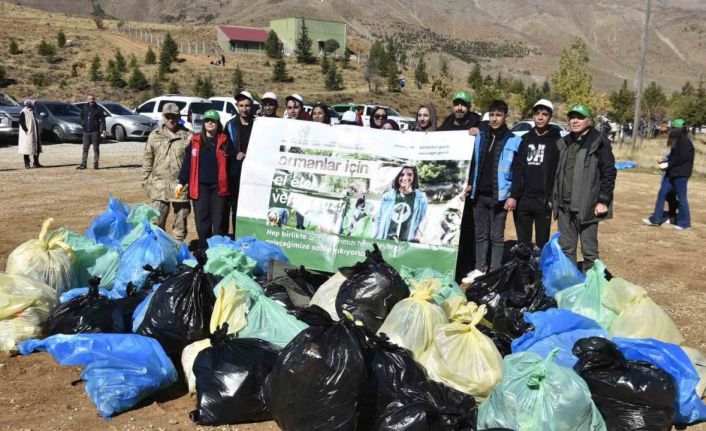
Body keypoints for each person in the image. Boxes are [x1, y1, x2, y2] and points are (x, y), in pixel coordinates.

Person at [462, 100, 521, 284]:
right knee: (480, 235)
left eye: (499, 115)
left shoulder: (513, 140)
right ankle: (480, 269)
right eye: (492, 115)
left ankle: (495, 271)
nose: (495, 119)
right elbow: (474, 164)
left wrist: (513, 195)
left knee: (497, 237)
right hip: (479, 195)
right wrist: (471, 183)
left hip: (500, 197)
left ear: (505, 117)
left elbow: (519, 172)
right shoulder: (481, 137)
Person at [552, 104, 616, 272]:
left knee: (589, 252)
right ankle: (572, 287)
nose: (575, 121)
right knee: (567, 249)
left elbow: (609, 172)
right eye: (572, 117)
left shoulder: (599, 141)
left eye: (580, 117)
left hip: (587, 205)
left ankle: (591, 288)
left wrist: (603, 200)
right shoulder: (565, 142)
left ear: (589, 120)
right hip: (565, 206)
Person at [178, 110, 237, 249]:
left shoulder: (225, 142)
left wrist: (234, 186)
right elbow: (188, 163)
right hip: (200, 187)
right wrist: (181, 181)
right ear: (203, 123)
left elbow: (233, 166)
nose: (210, 123)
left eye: (213, 121)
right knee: (202, 220)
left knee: (219, 221)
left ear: (218, 123)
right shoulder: (196, 141)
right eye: (207, 120)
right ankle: (204, 248)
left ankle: (217, 249)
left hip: (219, 188)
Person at [509, 99, 560, 249]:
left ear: (550, 117)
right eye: (537, 113)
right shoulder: (523, 140)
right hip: (523, 200)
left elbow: (559, 172)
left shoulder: (558, 141)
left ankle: (539, 272)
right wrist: (514, 195)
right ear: (533, 116)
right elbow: (517, 169)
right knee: (523, 244)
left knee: (541, 244)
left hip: (543, 201)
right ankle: (524, 272)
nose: (540, 117)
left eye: (544, 114)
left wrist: (552, 198)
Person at [142, 102, 192, 244]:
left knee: (180, 222)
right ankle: (159, 249)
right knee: (157, 221)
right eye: (167, 116)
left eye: (174, 116)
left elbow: (193, 163)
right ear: (163, 117)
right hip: (159, 186)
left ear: (179, 117)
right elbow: (148, 159)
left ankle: (177, 249)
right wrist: (145, 181)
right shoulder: (154, 135)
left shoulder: (188, 137)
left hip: (180, 187)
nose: (171, 120)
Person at [642, 118, 694, 230]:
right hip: (672, 173)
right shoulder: (678, 141)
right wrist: (664, 160)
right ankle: (656, 219)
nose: (672, 131)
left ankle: (685, 223)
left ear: (678, 129)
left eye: (674, 128)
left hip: (681, 174)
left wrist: (667, 164)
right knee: (662, 193)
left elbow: (681, 158)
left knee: (682, 198)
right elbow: (674, 156)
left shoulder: (685, 142)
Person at [224, 91, 254, 236]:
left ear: (252, 106)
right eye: (241, 105)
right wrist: (235, 154)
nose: (244, 109)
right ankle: (236, 235)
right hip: (235, 173)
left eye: (247, 105)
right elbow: (224, 147)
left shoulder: (258, 125)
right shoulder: (230, 125)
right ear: (237, 106)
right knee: (235, 206)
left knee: (251, 207)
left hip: (254, 173)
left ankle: (249, 234)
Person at [372, 165, 428, 242]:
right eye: (401, 174)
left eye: (409, 175)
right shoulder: (387, 196)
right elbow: (378, 219)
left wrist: (416, 240)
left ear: (414, 177)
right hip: (384, 242)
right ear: (397, 176)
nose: (405, 178)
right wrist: (372, 239)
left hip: (405, 245)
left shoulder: (421, 198)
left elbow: (422, 222)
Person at [77, 94, 106, 170]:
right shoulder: (84, 107)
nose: (91, 100)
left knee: (96, 148)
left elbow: (103, 119)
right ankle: (83, 164)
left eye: (92, 99)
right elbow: (81, 117)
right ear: (87, 100)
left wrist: (104, 130)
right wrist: (83, 124)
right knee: (85, 148)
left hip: (95, 131)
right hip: (86, 131)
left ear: (94, 100)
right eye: (89, 99)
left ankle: (96, 164)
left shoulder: (98, 108)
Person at [18, 99, 42, 169]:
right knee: (27, 149)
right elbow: (21, 122)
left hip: (35, 132)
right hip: (28, 133)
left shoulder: (33, 111)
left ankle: (36, 163)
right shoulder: (24, 112)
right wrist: (26, 130)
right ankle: (27, 164)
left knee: (37, 148)